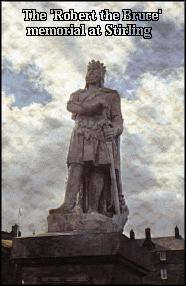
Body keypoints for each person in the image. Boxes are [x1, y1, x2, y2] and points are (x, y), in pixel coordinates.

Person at [49, 60, 124, 216]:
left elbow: (118, 119)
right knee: (75, 166)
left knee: (97, 168)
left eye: (95, 70)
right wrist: (93, 106)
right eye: (89, 70)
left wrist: (115, 130)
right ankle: (68, 204)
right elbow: (71, 106)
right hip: (80, 132)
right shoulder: (77, 95)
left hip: (100, 134)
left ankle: (93, 209)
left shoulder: (111, 95)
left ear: (102, 75)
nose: (91, 73)